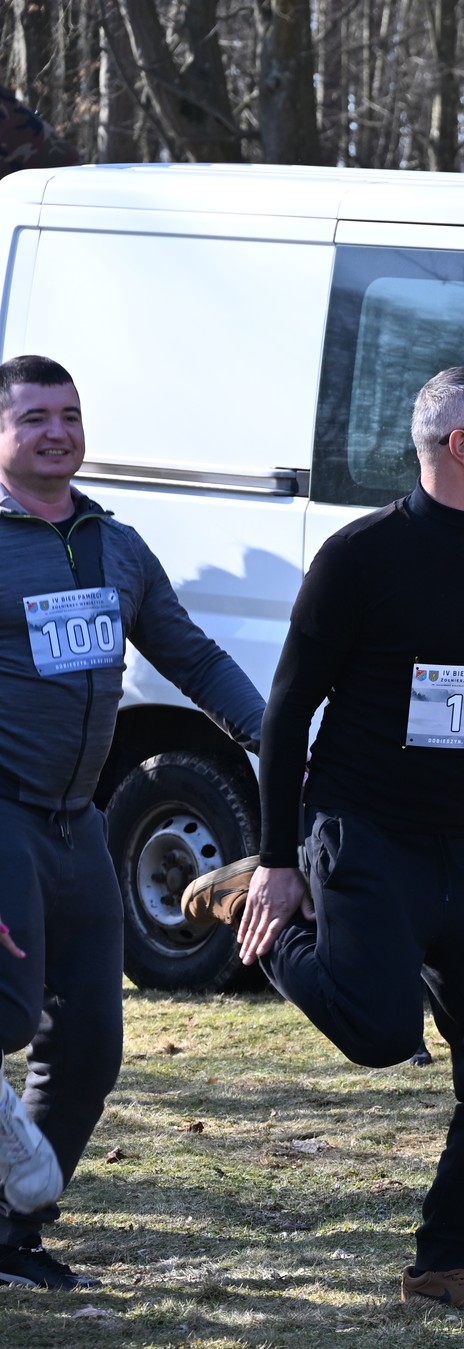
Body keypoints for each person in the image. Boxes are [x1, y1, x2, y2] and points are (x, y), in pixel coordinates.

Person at [197, 366, 464, 1310]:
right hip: (369, 832)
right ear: (461, 447)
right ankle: (260, 912)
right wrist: (275, 859)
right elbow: (287, 712)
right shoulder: (360, 558)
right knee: (380, 1031)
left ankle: (442, 1262)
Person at [0, 355, 265, 1289]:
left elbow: (191, 654)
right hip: (1, 812)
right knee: (2, 1009)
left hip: (79, 823)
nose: (58, 432)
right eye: (34, 417)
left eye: (69, 414)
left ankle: (10, 1234)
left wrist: (276, 735)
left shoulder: (116, 546)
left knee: (89, 1046)